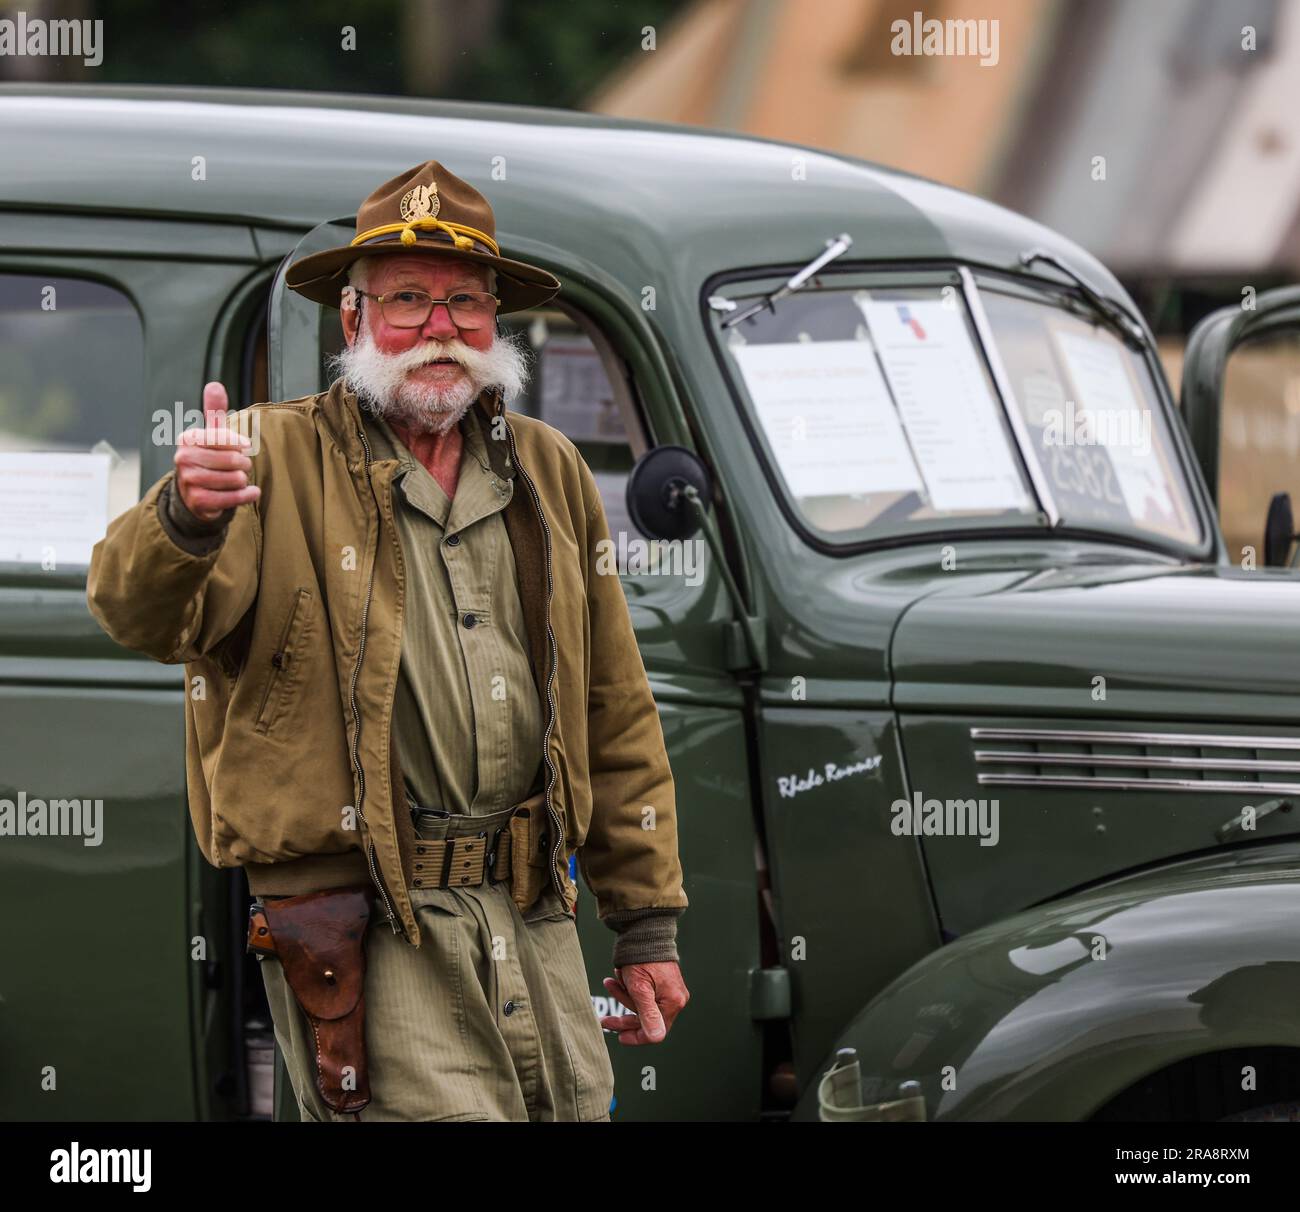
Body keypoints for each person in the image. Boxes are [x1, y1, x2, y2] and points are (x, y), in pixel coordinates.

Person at [86, 159, 689, 1121]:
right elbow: (138, 614)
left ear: (494, 321)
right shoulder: (268, 457)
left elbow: (615, 704)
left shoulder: (549, 469)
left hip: (536, 912)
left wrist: (645, 924)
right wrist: (186, 517)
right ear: (354, 319)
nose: (440, 328)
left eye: (466, 302)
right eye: (407, 299)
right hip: (371, 925)